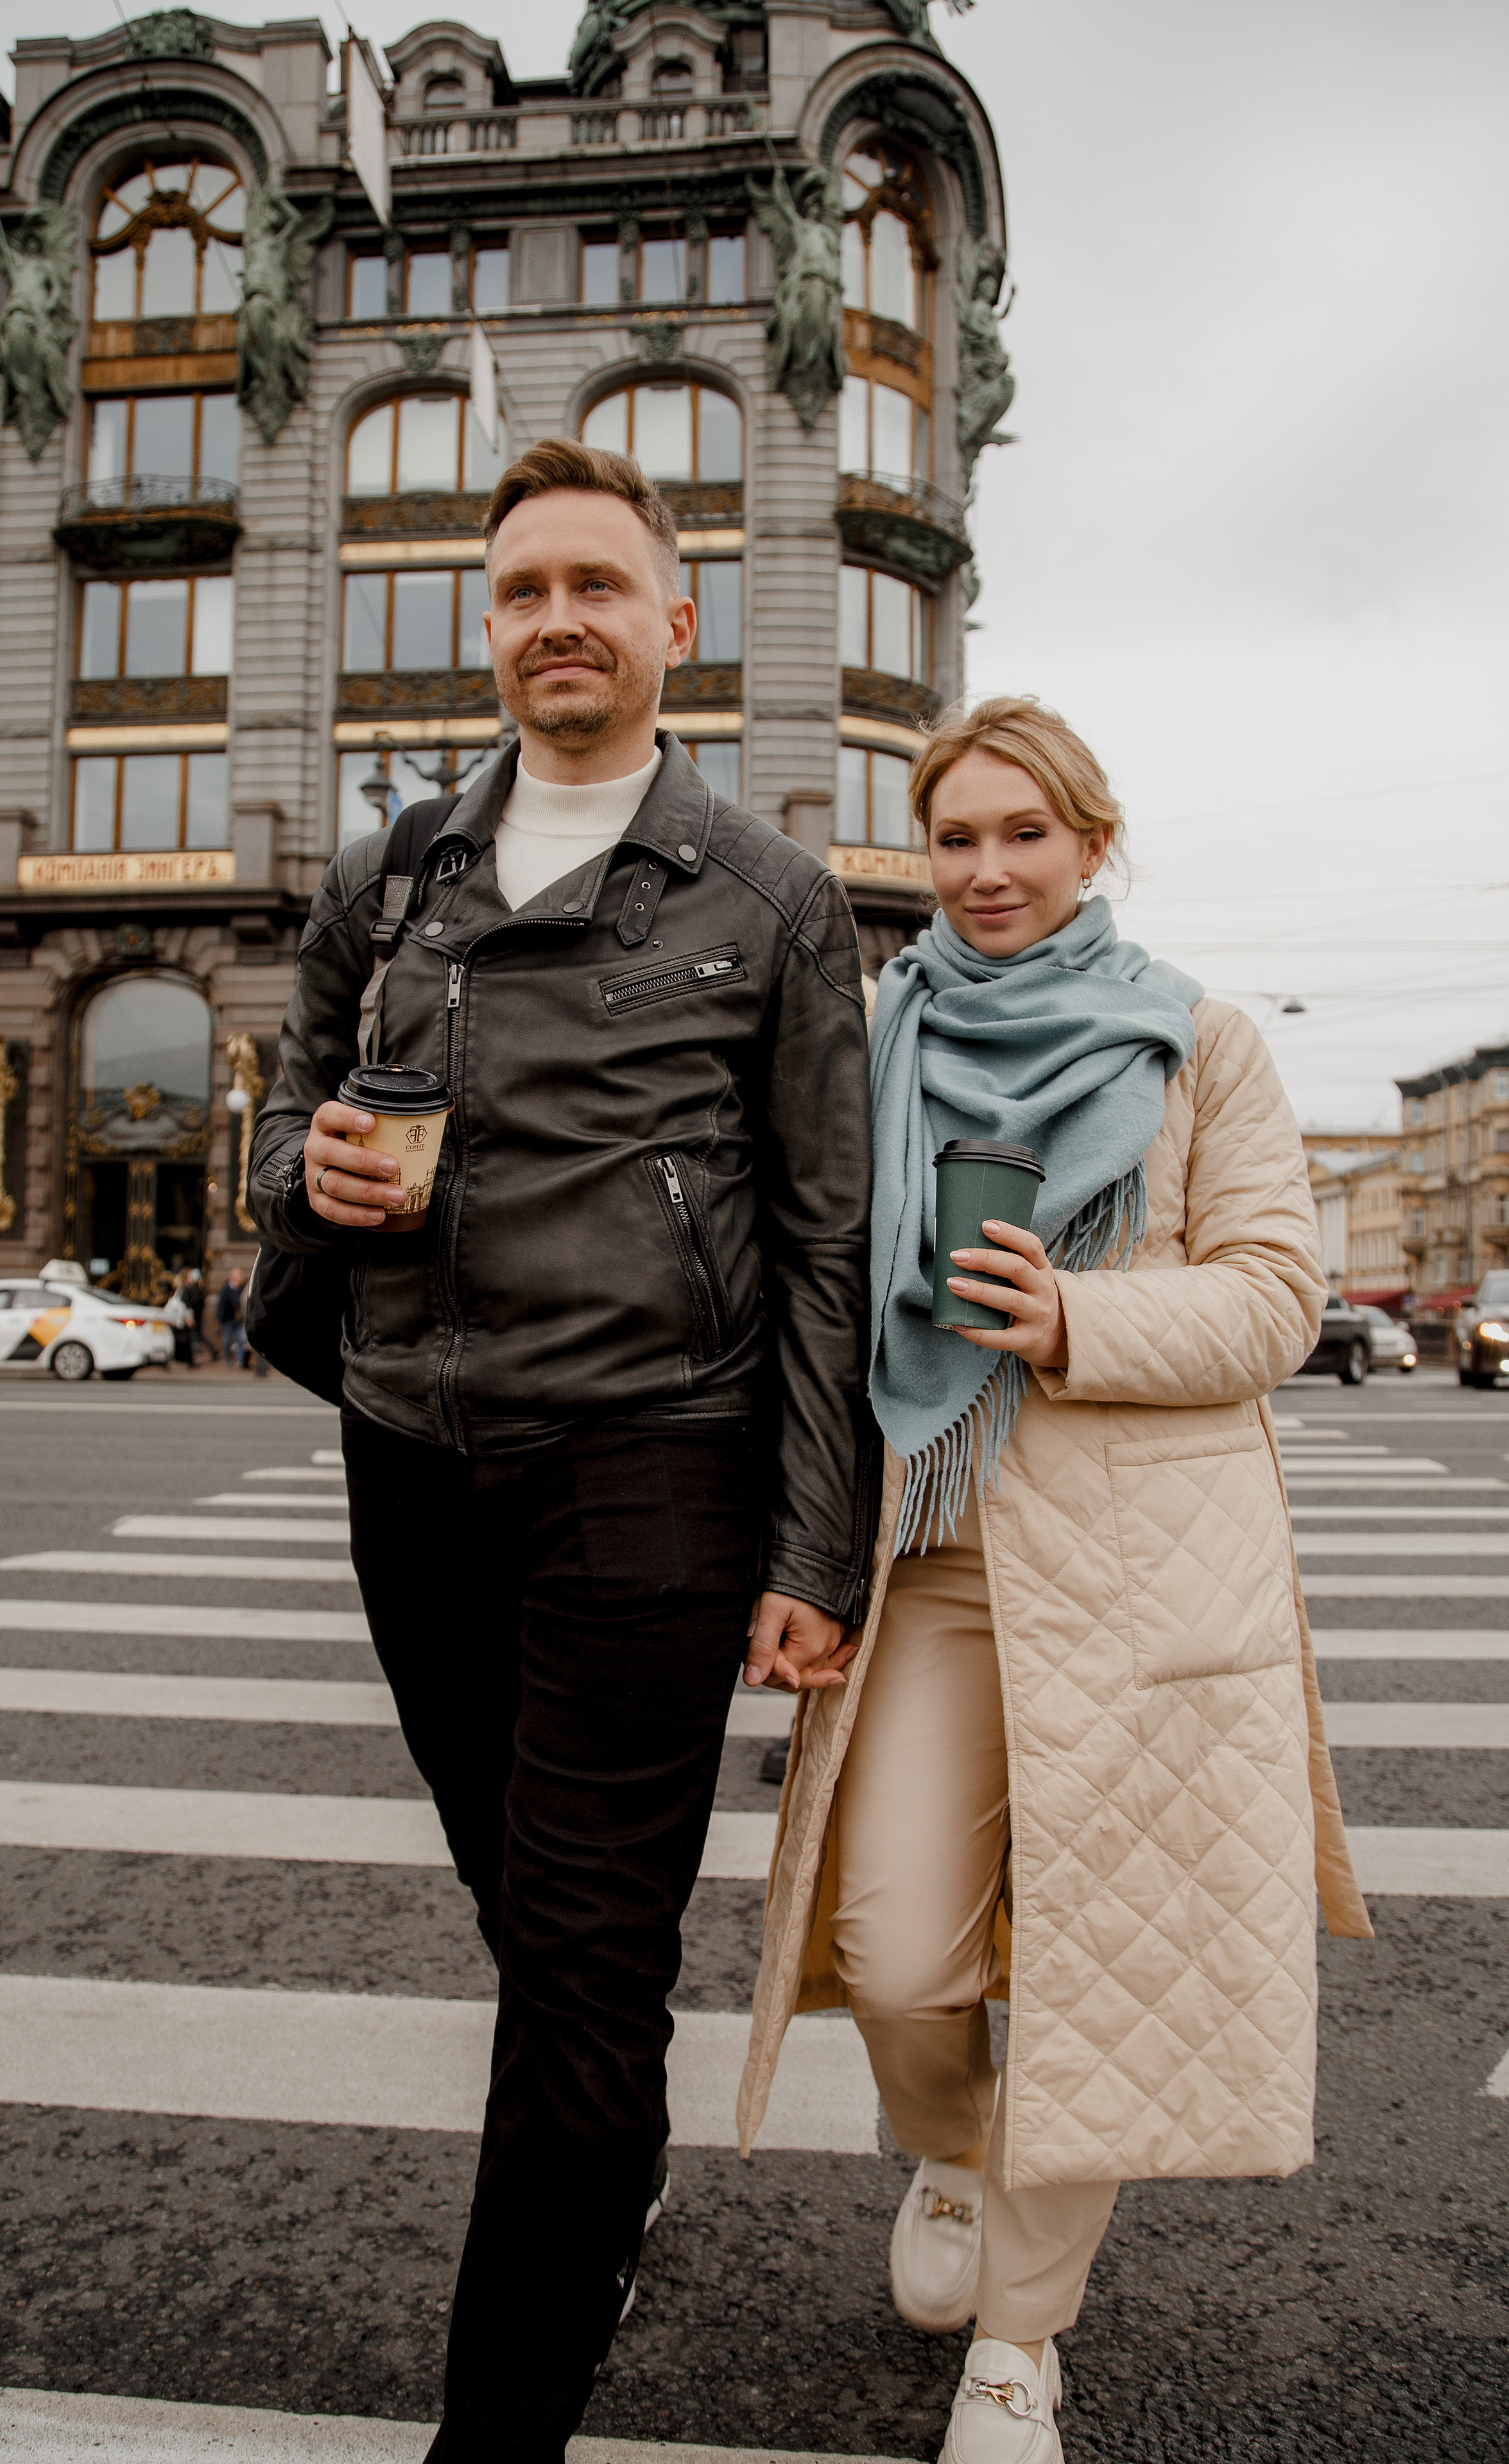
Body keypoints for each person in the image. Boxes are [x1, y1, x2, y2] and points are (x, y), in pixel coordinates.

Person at [247, 439, 872, 2462]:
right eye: (522, 591)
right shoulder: (389, 875)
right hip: (410, 1449)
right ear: (487, 627)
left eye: (596, 585)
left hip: (651, 1462)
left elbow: (827, 1239)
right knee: (520, 1892)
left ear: (674, 621)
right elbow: (285, 1111)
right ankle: (609, 2155)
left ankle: (502, 2425)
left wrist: (815, 1544)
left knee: (590, 1947)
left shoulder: (772, 899)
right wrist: (305, 1171)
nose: (557, 621)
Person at [738, 697, 1372, 2463]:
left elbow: (1276, 1297)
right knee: (895, 1951)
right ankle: (956, 2145)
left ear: (1094, 845)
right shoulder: (878, 1032)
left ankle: (1019, 2347)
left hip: (1143, 1571)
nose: (988, 868)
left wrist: (1076, 1314)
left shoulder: (1198, 1039)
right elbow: (809, 1290)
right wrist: (790, 1548)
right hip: (928, 1558)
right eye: (956, 836)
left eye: (1025, 833)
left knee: (1105, 1967)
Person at [214, 1267, 246, 1367]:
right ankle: (228, 1360)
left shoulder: (242, 1288)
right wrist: (219, 1318)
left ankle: (240, 1360)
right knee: (227, 1340)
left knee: (241, 1339)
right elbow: (221, 1304)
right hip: (228, 1319)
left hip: (239, 1319)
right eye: (239, 1276)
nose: (241, 1278)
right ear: (234, 1278)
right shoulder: (226, 1289)